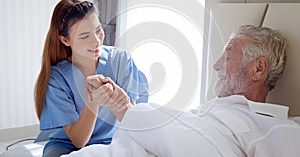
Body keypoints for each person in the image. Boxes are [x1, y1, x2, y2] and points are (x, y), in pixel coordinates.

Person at [64, 25, 300, 157]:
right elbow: (174, 133)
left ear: (258, 69)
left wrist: (129, 110)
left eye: (227, 56)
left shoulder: (277, 127)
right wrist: (122, 104)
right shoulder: (208, 112)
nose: (216, 66)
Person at [34, 0, 148, 157]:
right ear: (65, 40)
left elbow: (131, 122)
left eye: (98, 30)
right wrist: (92, 103)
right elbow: (78, 141)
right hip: (68, 146)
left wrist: (117, 101)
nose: (96, 41)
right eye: (84, 36)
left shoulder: (120, 60)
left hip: (113, 141)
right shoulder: (57, 78)